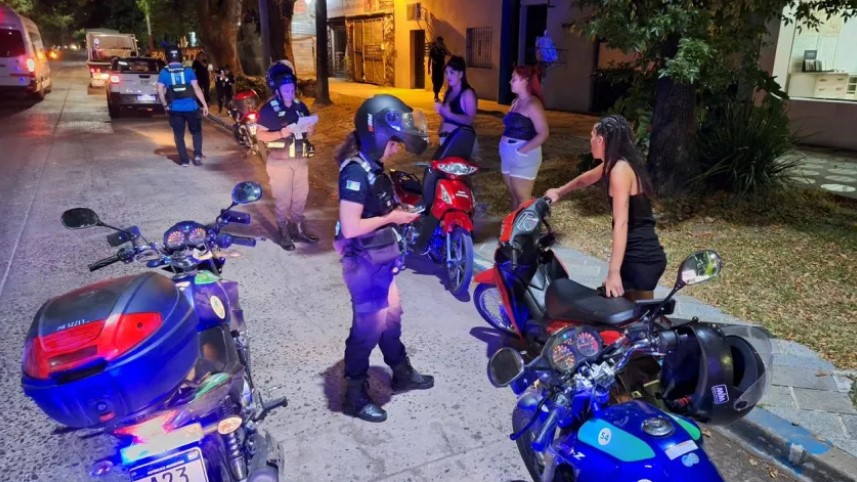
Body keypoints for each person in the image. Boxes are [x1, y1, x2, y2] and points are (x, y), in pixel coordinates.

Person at [334, 94, 434, 423]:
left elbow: (376, 209)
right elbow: (351, 227)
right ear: (376, 135)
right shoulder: (355, 172)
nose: (396, 150)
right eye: (393, 143)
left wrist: (397, 213)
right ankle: (354, 395)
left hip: (379, 259)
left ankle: (401, 373)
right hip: (362, 264)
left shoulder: (373, 167)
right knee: (367, 328)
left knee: (391, 317)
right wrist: (391, 218)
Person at [544, 114, 666, 301]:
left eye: (591, 136)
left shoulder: (619, 171)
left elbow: (621, 223)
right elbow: (585, 179)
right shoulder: (614, 163)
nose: (590, 141)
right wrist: (559, 192)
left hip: (640, 257)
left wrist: (613, 273)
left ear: (600, 140)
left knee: (627, 310)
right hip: (640, 253)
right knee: (632, 310)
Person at [255, 61, 318, 251]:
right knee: (283, 199)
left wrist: (310, 129)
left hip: (300, 160)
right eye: (286, 90)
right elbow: (260, 135)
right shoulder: (269, 109)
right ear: (278, 91)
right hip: (280, 162)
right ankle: (283, 232)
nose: (290, 93)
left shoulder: (300, 107)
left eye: (292, 89)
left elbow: (308, 132)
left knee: (300, 197)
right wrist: (280, 133)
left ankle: (297, 228)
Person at [501, 64, 549, 211]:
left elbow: (544, 133)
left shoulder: (533, 103)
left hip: (524, 155)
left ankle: (525, 224)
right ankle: (513, 224)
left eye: (514, 78)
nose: (510, 81)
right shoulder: (516, 102)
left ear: (525, 81)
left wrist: (521, 151)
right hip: (508, 155)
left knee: (523, 198)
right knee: (513, 196)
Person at [156, 45, 209, 167]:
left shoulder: (164, 72)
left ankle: (184, 160)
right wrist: (204, 104)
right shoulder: (188, 71)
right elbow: (196, 88)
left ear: (167, 57)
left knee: (178, 135)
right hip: (191, 107)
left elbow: (160, 90)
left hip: (175, 109)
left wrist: (165, 105)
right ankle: (197, 155)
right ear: (180, 56)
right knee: (196, 132)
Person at [427, 36, 449, 102]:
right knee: (435, 81)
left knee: (441, 81)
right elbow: (429, 59)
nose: (439, 43)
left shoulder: (443, 49)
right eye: (438, 41)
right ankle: (436, 95)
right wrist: (428, 69)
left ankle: (436, 93)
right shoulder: (433, 49)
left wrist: (445, 48)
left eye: (441, 42)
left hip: (441, 68)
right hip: (435, 68)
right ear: (437, 42)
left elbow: (449, 54)